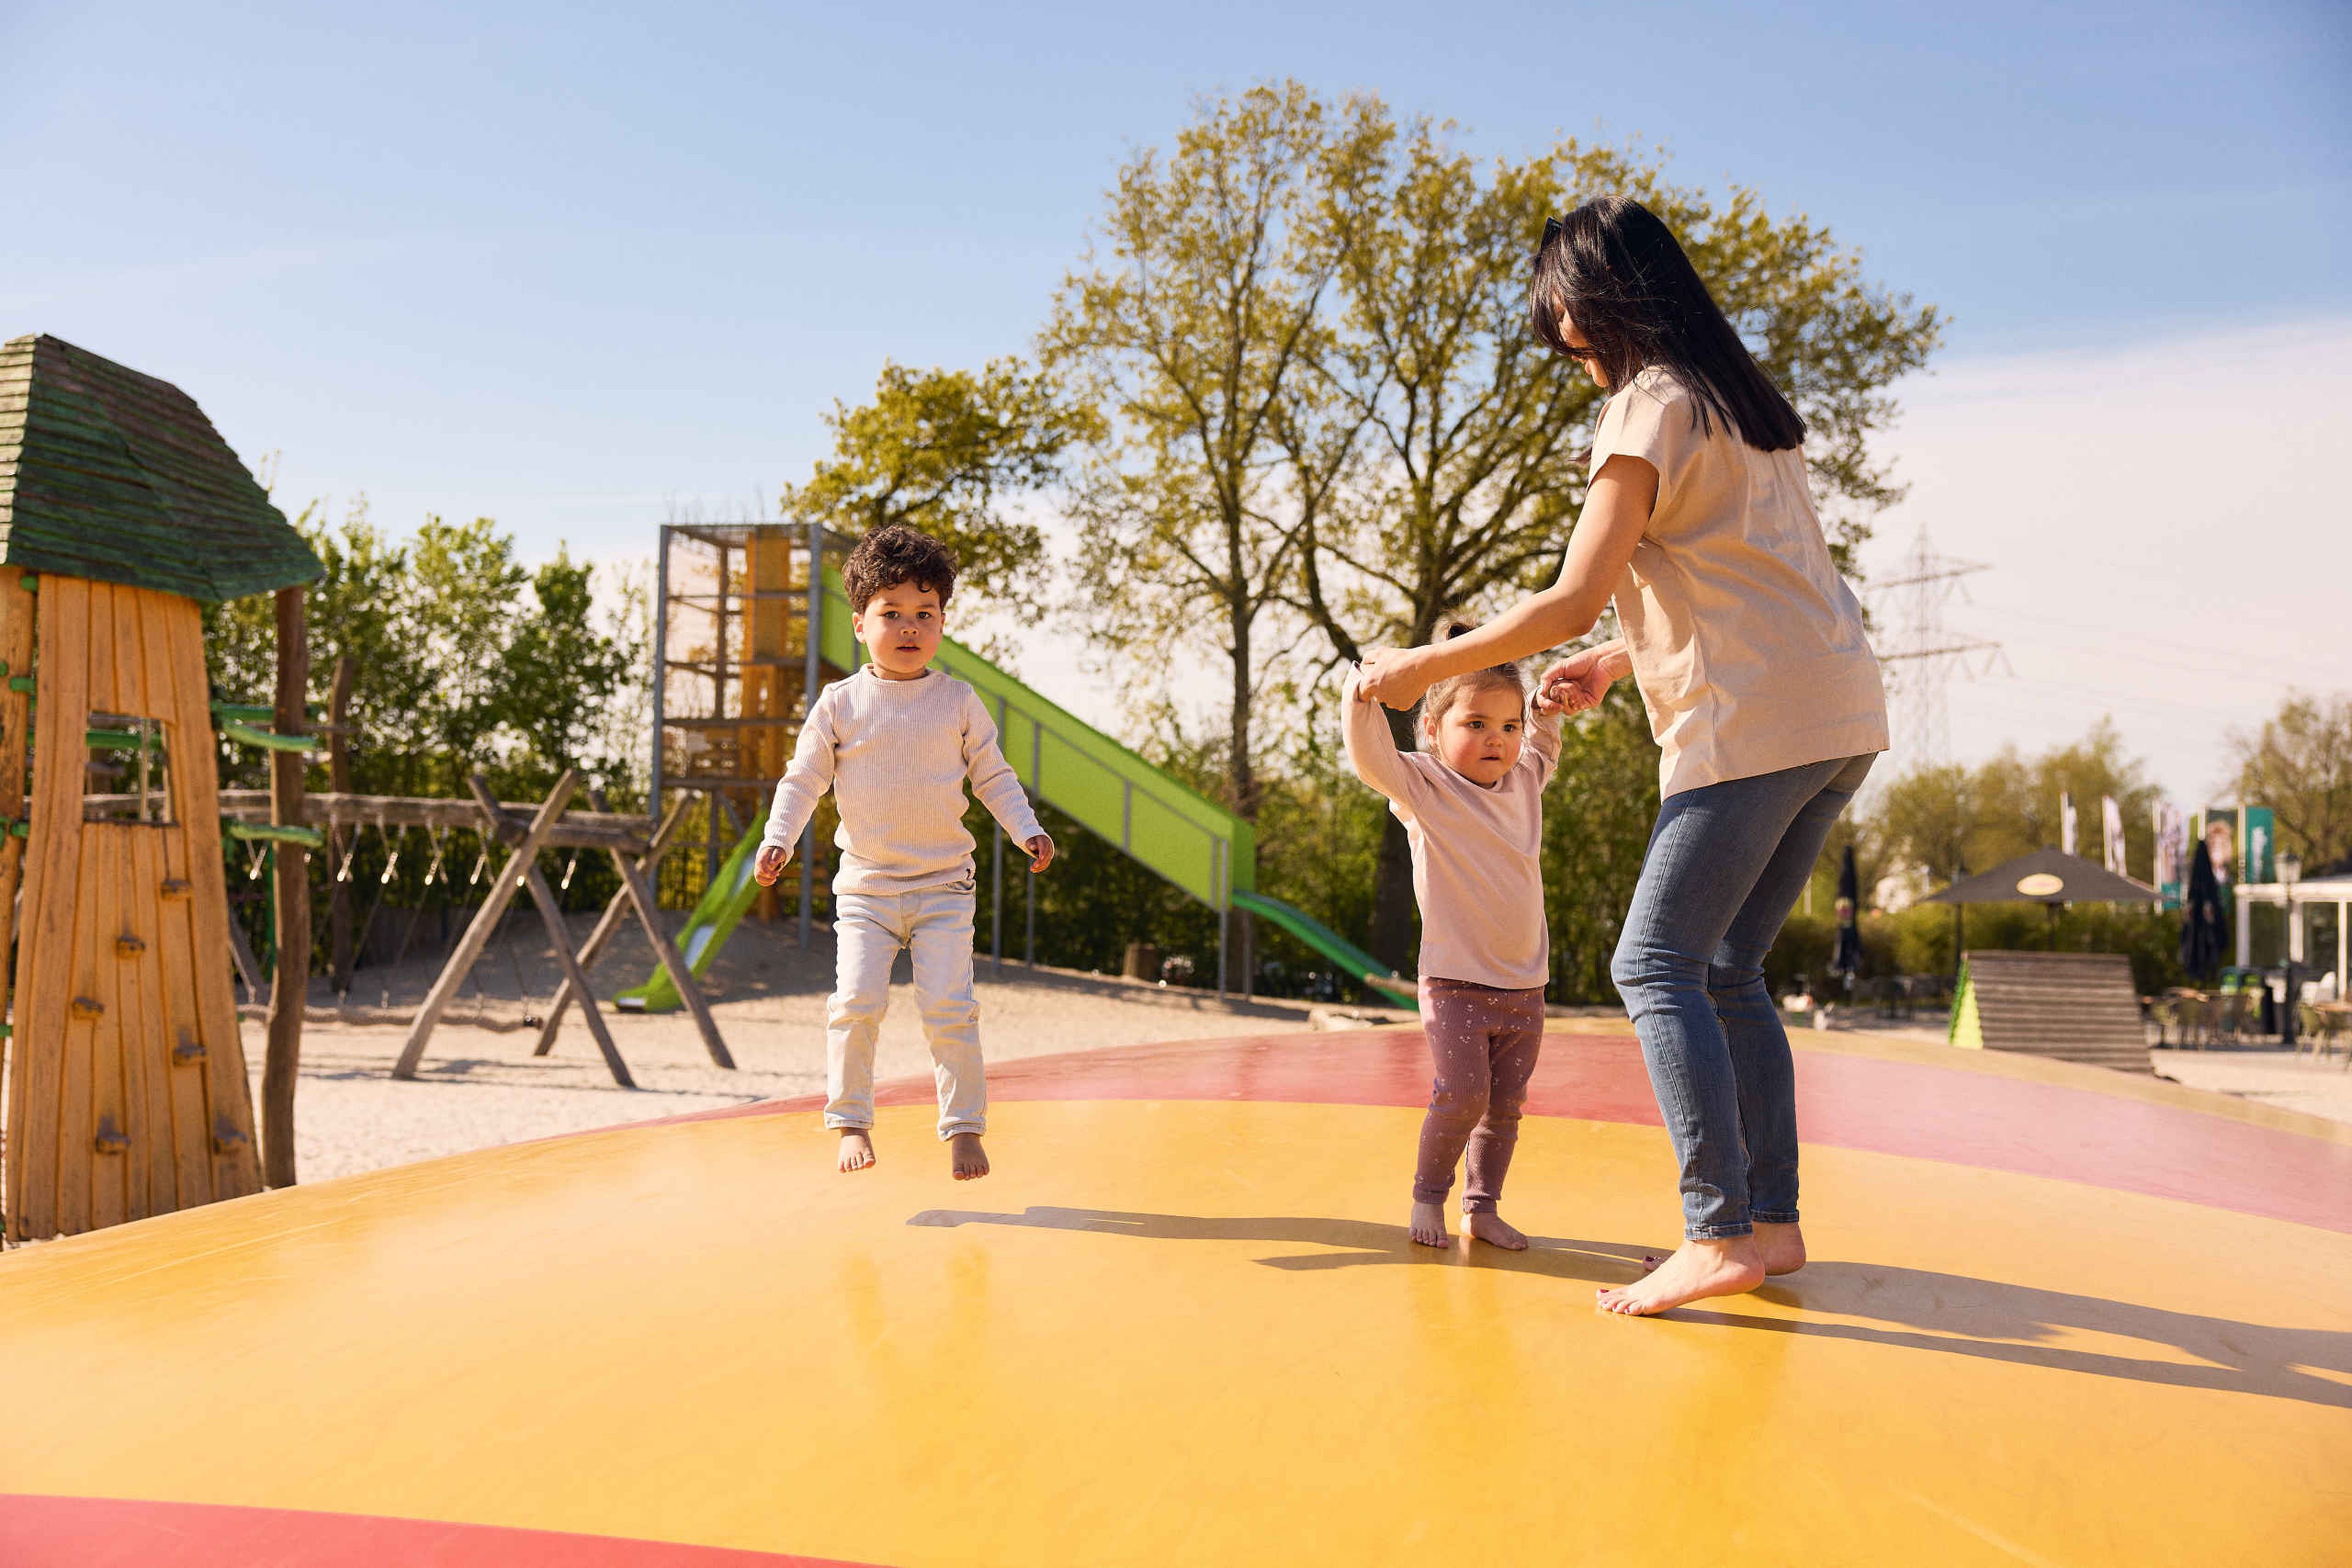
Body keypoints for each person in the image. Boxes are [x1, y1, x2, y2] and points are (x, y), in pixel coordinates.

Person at [1355, 197, 1887, 1315]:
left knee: (1653, 965)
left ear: (1594, 303)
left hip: (1750, 727)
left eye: (1560, 317)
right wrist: (1615, 660)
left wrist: (1420, 666)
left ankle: (1718, 1230)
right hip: (1838, 715)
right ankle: (1773, 1223)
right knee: (1730, 968)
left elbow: (1570, 592)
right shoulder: (1743, 405)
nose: (1560, 342)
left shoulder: (1648, 404)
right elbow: (1735, 579)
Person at [754, 525, 1054, 1181]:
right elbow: (803, 779)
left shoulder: (957, 701)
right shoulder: (840, 705)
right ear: (860, 623)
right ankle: (851, 1120)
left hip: (945, 887)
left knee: (950, 1009)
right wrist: (779, 837)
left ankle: (965, 1129)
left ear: (943, 621)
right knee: (856, 1004)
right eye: (892, 614)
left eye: (926, 614)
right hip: (867, 890)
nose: (910, 627)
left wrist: (1026, 827)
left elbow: (994, 776)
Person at [1343, 624, 1564, 1252]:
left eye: (1508, 726)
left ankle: (1482, 1208)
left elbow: (1544, 745)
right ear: (1433, 730)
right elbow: (1368, 757)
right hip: (1457, 983)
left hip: (1525, 985)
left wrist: (1546, 708)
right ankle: (1428, 1195)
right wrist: (1363, 688)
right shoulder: (1424, 786)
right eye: (1475, 724)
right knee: (1463, 1094)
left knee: (1505, 1109)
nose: (1497, 739)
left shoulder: (1525, 783)